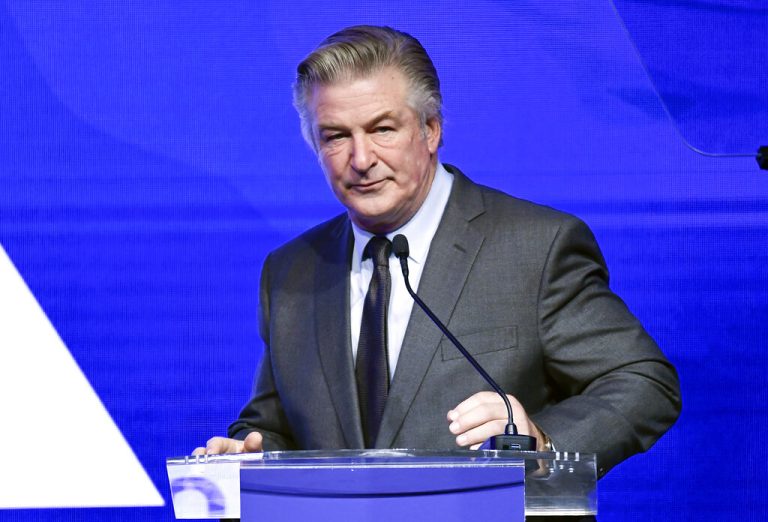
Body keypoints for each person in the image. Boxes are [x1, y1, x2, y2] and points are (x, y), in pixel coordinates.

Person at [194, 25, 681, 478]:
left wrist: (542, 443)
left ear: (431, 129)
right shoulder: (291, 271)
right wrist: (252, 452)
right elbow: (275, 422)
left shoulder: (535, 247)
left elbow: (643, 382)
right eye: (336, 136)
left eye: (383, 129)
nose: (361, 160)